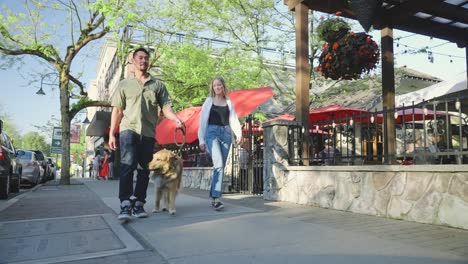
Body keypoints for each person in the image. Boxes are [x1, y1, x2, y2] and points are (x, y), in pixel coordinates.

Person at [108, 47, 183, 221]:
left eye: (146, 58)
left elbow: (166, 108)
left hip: (148, 133)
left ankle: (139, 202)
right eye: (140, 58)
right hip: (128, 130)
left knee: (144, 169)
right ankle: (125, 204)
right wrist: (112, 133)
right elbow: (117, 110)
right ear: (133, 61)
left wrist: (176, 120)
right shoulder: (124, 84)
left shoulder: (157, 85)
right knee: (127, 166)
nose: (143, 61)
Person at [198, 77, 242, 211]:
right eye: (215, 85)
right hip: (211, 133)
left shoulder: (228, 102)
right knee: (218, 165)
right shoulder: (208, 102)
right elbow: (202, 121)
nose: (217, 87)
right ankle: (217, 199)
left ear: (223, 86)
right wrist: (201, 139)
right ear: (212, 88)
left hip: (226, 134)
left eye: (219, 85)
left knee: (220, 166)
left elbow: (233, 119)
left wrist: (238, 133)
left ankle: (213, 195)